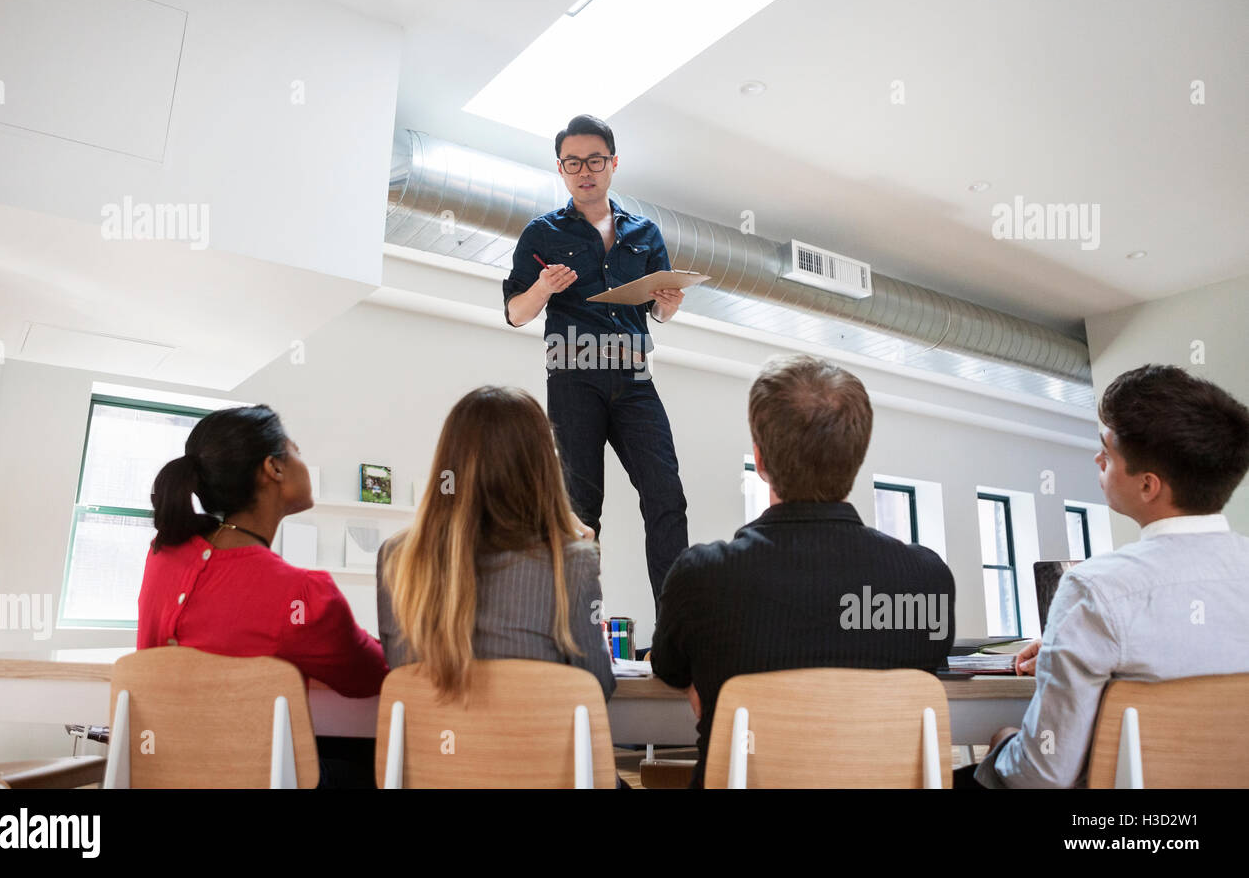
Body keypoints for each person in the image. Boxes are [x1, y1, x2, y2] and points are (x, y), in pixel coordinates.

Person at [652, 354, 955, 787]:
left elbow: (672, 671)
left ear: (759, 459)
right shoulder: (928, 582)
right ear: (857, 457)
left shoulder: (700, 578)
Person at [970, 364, 1249, 788]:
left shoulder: (1095, 590)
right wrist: (1073, 643)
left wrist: (1002, 744)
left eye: (1107, 451)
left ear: (1148, 486)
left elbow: (1043, 775)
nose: (1097, 458)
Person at [140, 404, 388, 787]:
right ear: (273, 469)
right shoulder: (303, 596)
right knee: (384, 758)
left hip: (164, 775)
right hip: (253, 780)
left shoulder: (162, 552)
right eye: (296, 450)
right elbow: (372, 675)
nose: (303, 461)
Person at [502, 113, 688, 610]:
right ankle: (577, 627)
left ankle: (678, 627)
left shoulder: (645, 233)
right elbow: (516, 314)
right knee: (581, 509)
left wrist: (667, 307)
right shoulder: (541, 233)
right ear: (561, 169)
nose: (585, 170)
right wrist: (542, 287)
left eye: (595, 160)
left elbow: (658, 310)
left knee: (666, 496)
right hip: (573, 378)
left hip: (634, 378)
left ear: (613, 163)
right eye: (573, 162)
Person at [376, 386, 614, 703]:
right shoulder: (572, 563)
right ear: (540, 470)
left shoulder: (396, 557)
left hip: (430, 751)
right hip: (533, 751)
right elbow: (597, 688)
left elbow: (400, 673)